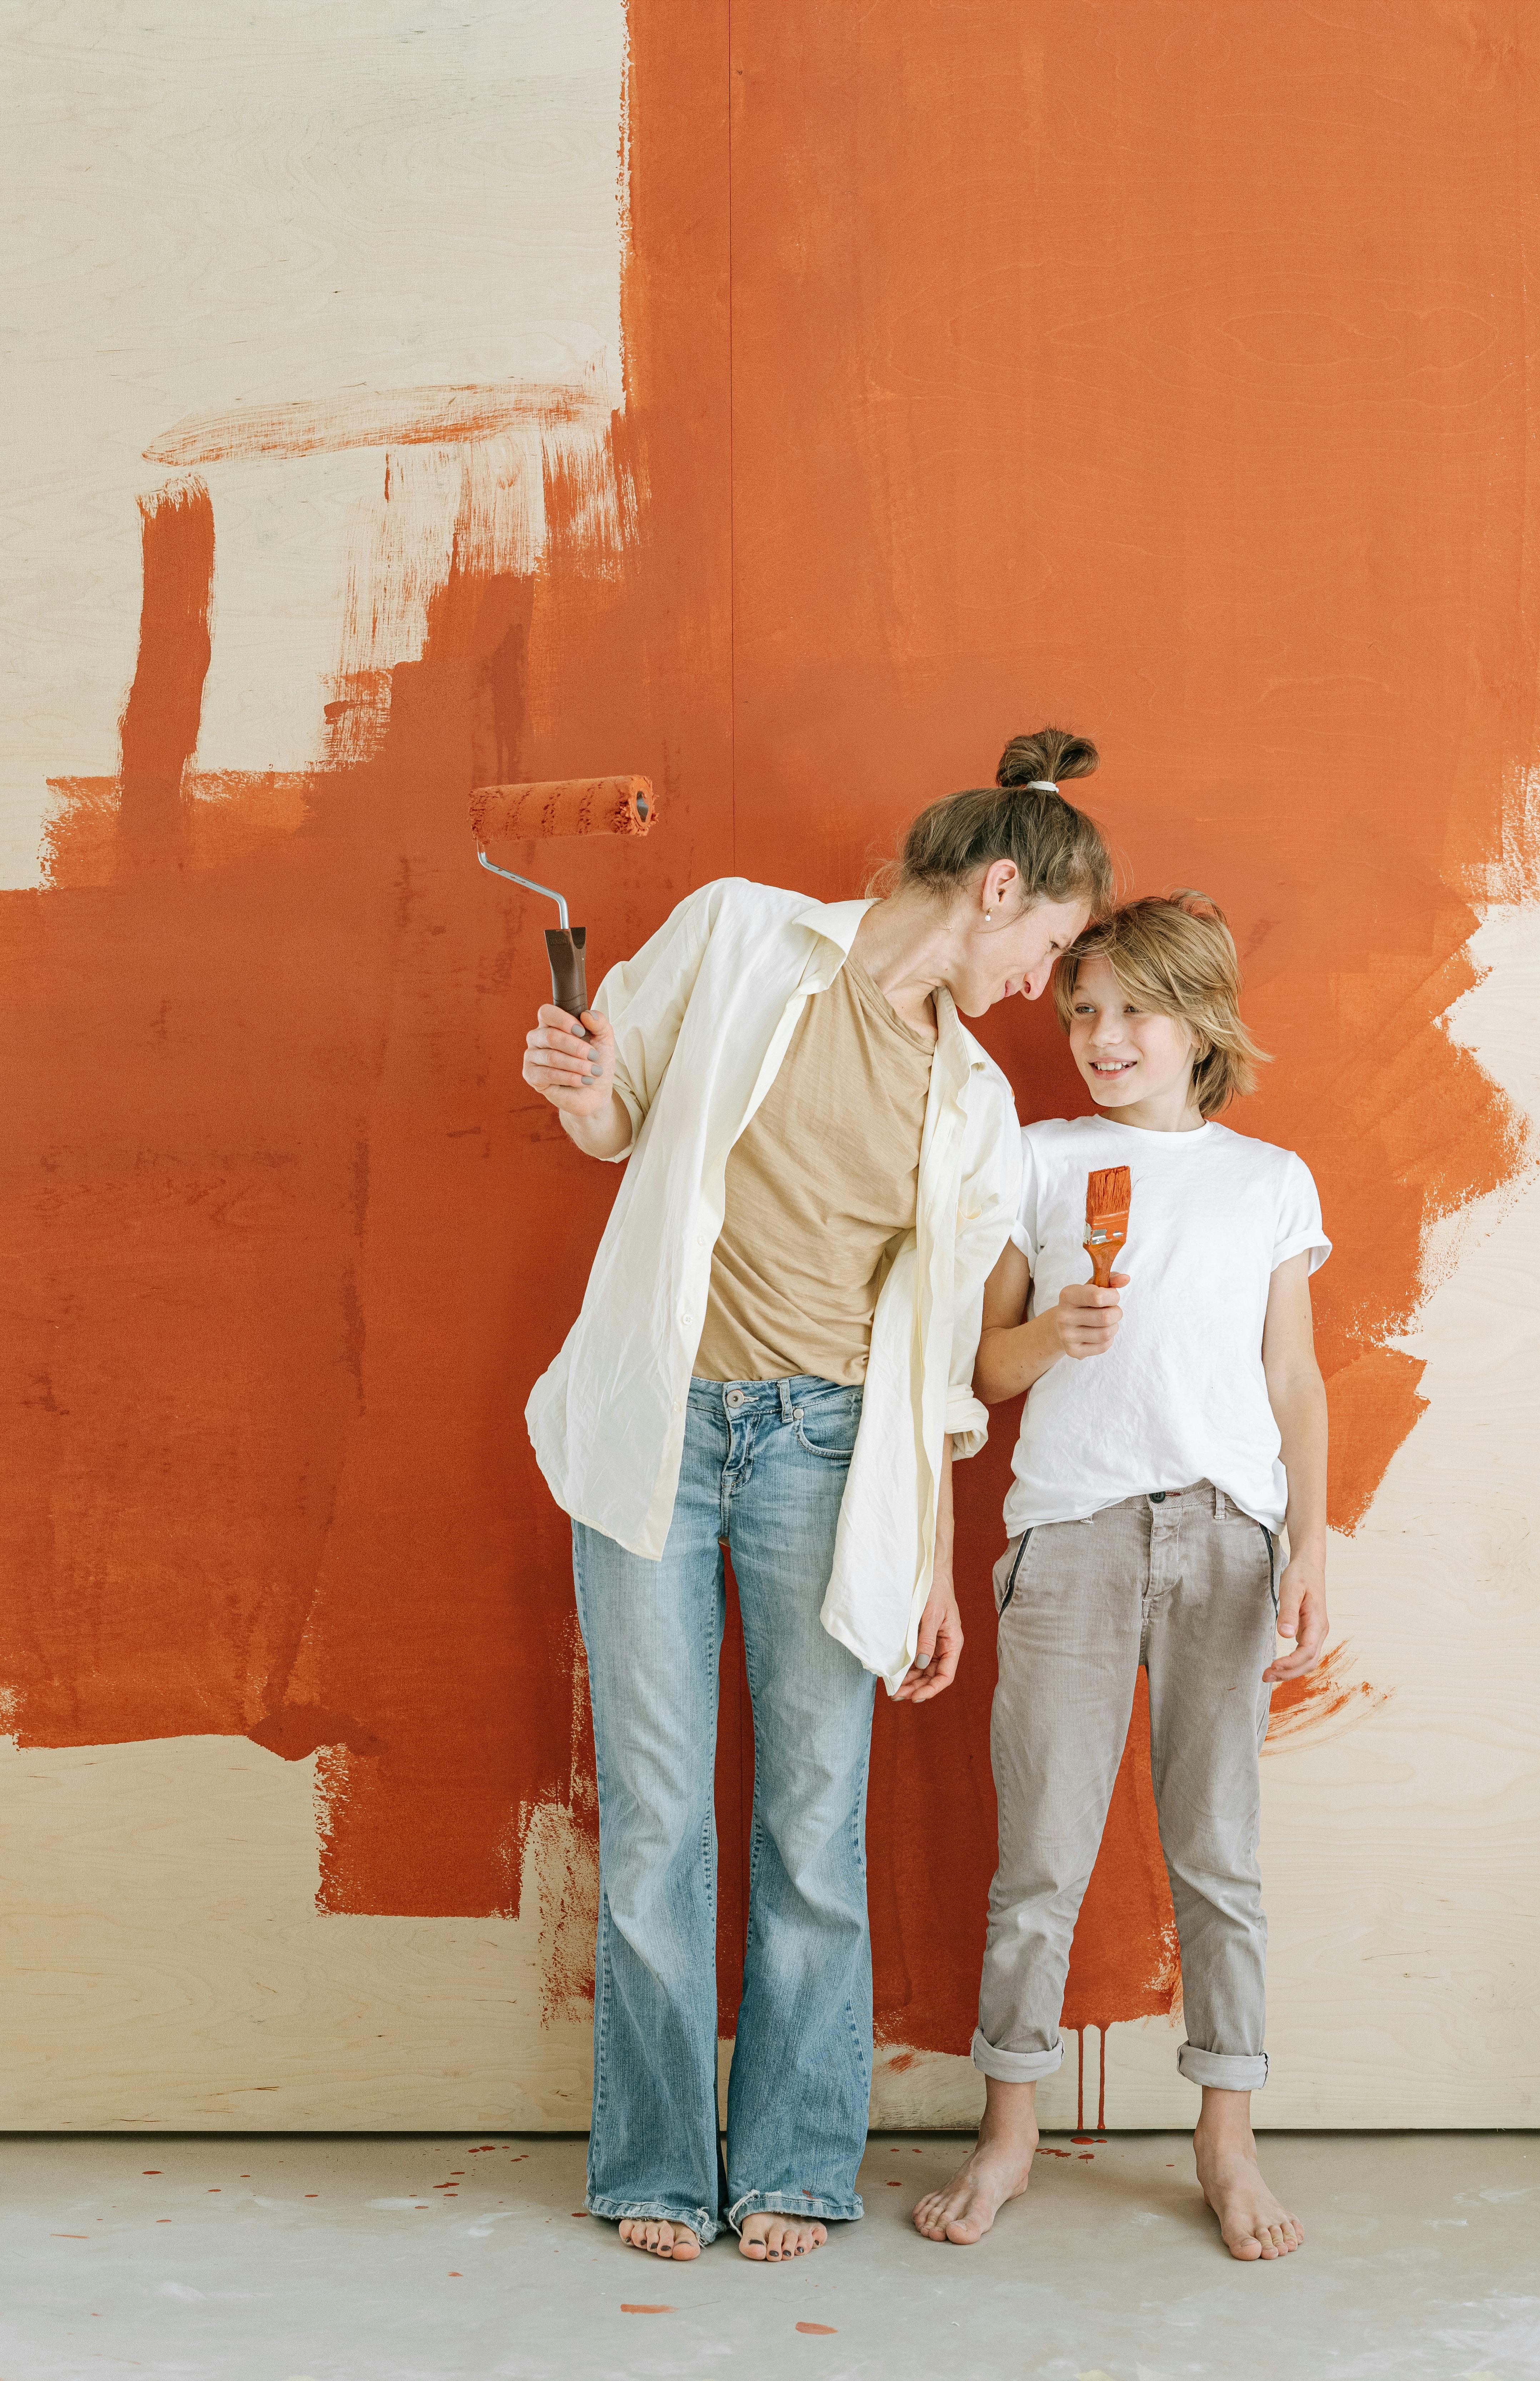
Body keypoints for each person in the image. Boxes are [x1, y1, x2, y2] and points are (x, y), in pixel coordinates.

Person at [520, 732, 1112, 2264]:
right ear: (995, 889)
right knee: (655, 1818)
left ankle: (788, 2156)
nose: (1039, 988)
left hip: (830, 1456)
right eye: (1045, 948)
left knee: (810, 1821)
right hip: (658, 1425)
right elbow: (616, 1108)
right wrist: (573, 1077)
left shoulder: (970, 1100)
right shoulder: (737, 932)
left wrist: (922, 1551)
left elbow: (932, 1363)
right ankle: (654, 2161)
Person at [914, 891, 1330, 2263]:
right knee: (1039, 1856)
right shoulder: (1036, 1159)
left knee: (1219, 1853)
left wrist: (1307, 1542)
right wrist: (1055, 1331)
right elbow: (985, 1368)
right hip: (1072, 1536)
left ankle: (1226, 2136)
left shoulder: (1268, 1179)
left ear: (1199, 1019)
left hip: (1227, 1533)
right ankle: (1010, 2131)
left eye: (1131, 1010)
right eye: (1080, 1007)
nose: (1098, 1035)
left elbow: (1290, 1376)